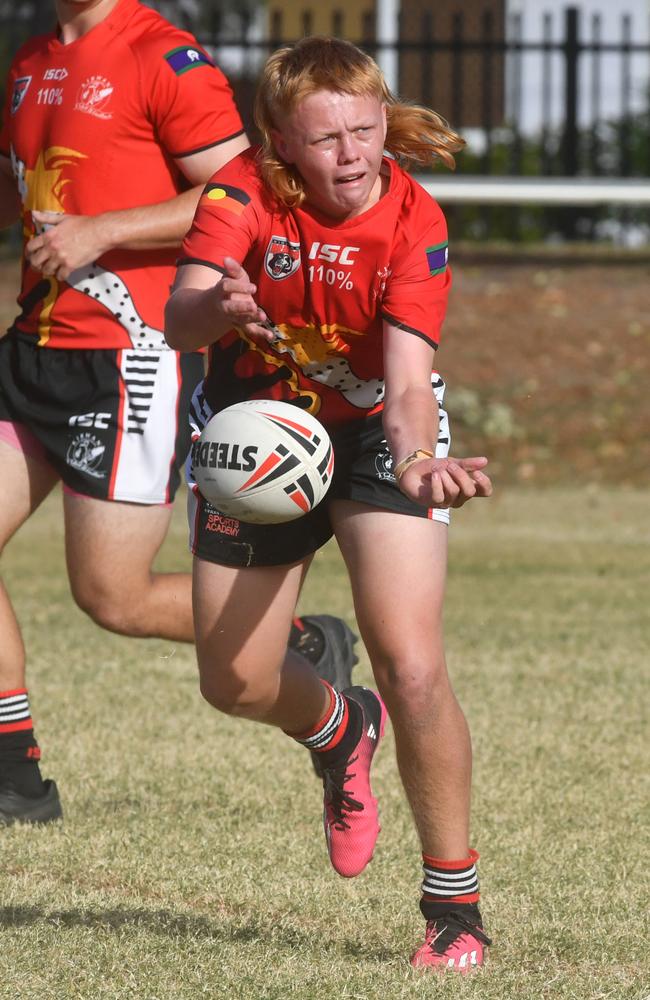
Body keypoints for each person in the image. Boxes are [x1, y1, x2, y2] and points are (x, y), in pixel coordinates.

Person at [165, 36, 493, 972]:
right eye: (326, 137)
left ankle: (454, 903)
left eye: (365, 128)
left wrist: (420, 460)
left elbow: (407, 374)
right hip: (252, 437)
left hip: (373, 433)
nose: (352, 153)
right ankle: (337, 727)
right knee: (232, 681)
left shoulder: (411, 219)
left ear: (384, 120)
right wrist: (219, 307)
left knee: (412, 662)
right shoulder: (240, 192)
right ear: (278, 144)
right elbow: (179, 314)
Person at [0, 0, 355, 827]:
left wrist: (103, 231)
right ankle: (15, 780)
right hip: (32, 346)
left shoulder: (163, 55)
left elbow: (250, 193)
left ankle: (300, 641)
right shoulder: (28, 61)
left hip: (130, 358)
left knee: (112, 598)